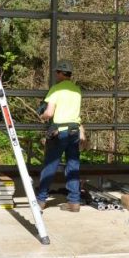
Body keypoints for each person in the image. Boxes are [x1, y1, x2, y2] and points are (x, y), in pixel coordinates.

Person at [36, 60, 84, 212]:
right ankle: (74, 202)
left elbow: (49, 113)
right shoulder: (77, 90)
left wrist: (42, 116)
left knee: (50, 165)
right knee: (73, 166)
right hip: (74, 131)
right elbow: (76, 114)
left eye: (57, 73)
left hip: (60, 132)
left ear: (61, 73)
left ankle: (41, 200)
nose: (55, 75)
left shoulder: (56, 89)